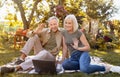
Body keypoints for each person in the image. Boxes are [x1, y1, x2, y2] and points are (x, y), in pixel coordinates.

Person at [0, 16, 66, 74]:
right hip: (41, 51)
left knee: (45, 53)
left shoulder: (62, 32)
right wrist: (35, 32)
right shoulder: (45, 31)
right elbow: (28, 35)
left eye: (55, 24)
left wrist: (63, 59)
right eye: (51, 24)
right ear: (49, 25)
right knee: (34, 36)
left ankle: (19, 67)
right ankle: (21, 58)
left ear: (58, 23)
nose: (53, 26)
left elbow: (64, 47)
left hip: (51, 56)